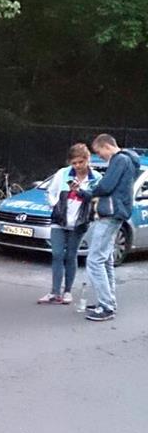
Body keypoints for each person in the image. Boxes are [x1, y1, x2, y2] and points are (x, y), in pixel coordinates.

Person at [75, 134, 140, 321]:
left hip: (110, 213)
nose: (100, 156)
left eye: (99, 152)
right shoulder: (129, 160)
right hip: (118, 213)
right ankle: (108, 301)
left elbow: (106, 186)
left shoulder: (119, 160)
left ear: (106, 146)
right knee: (106, 260)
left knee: (94, 260)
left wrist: (87, 192)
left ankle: (106, 306)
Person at [38, 143, 102, 305]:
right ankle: (54, 292)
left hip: (79, 222)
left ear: (87, 160)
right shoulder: (63, 173)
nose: (78, 166)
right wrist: (55, 205)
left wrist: (83, 193)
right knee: (57, 254)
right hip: (60, 220)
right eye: (74, 163)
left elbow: (96, 199)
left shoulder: (96, 178)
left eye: (81, 162)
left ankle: (67, 291)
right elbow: (51, 192)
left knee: (71, 255)